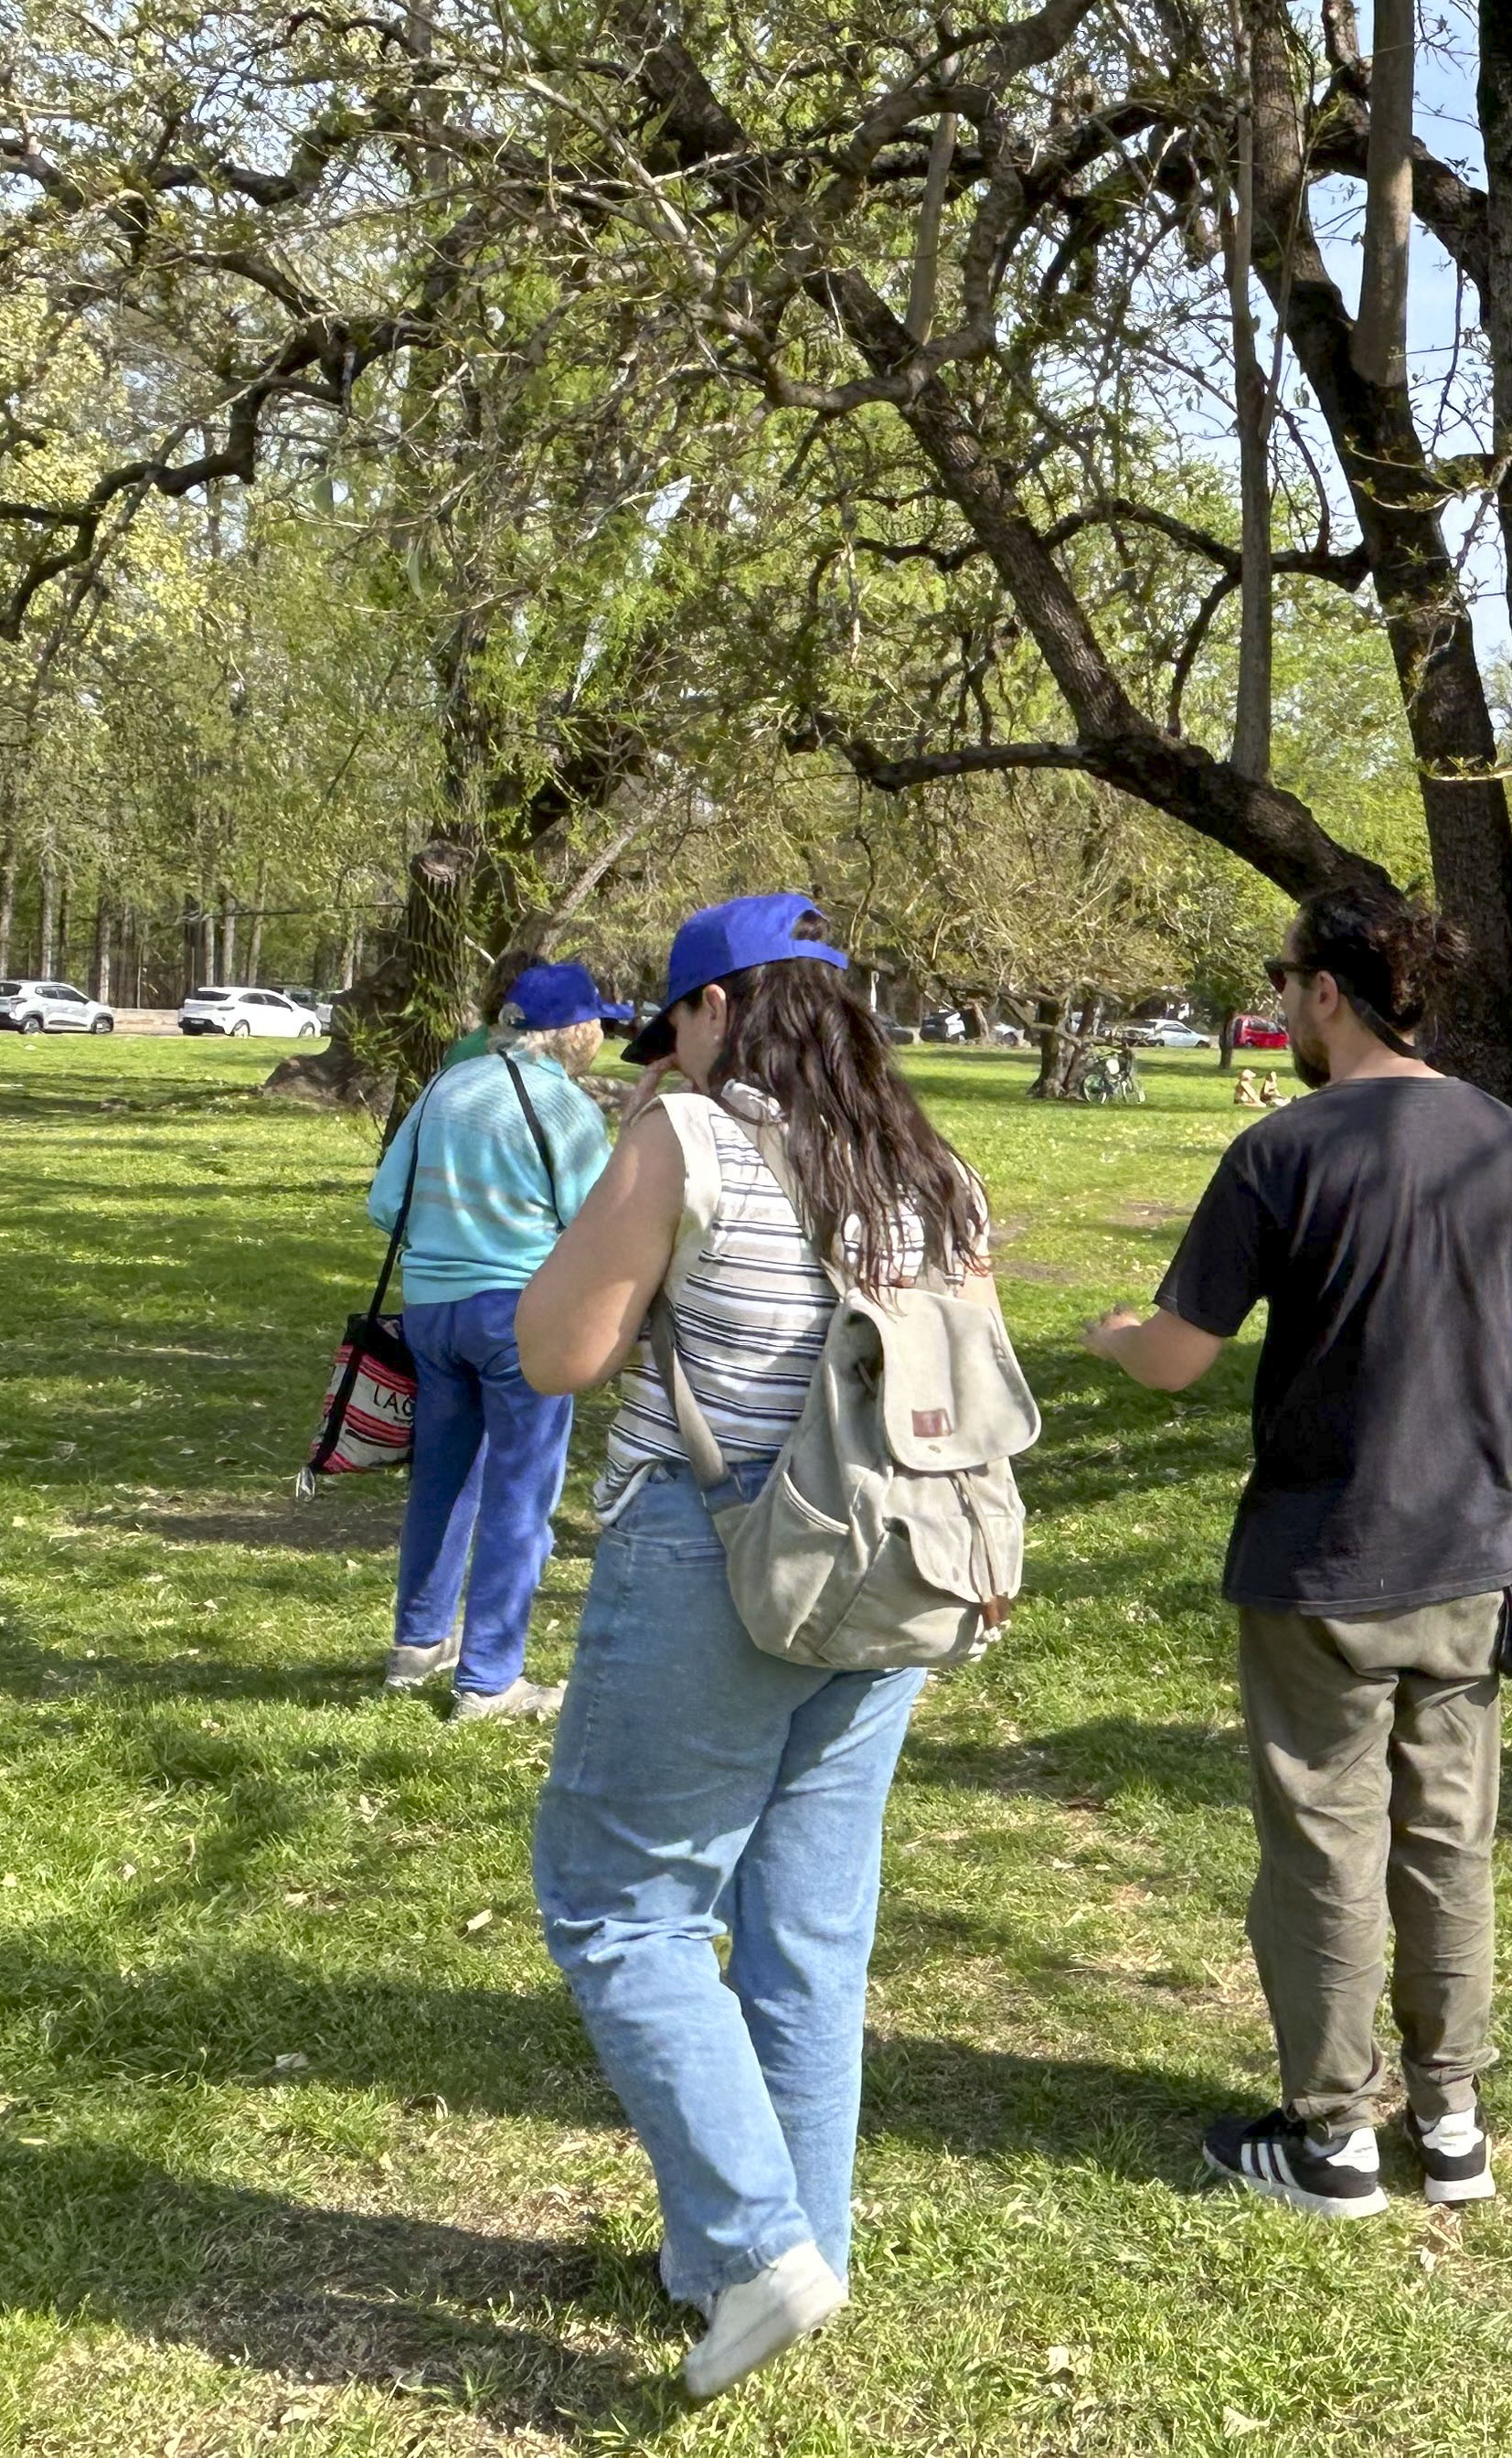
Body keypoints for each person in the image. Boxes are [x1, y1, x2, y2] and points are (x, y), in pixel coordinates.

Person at [511, 892, 996, 2400]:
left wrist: (628, 1151)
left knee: (619, 1901)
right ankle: (788, 2254)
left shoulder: (687, 1139)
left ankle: (755, 2243)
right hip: (897, 1570)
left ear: (718, 1011)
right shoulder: (934, 1172)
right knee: (808, 1931)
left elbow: (557, 1349)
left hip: (713, 1556)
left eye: (680, 1024)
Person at [1079, 885, 1512, 2221]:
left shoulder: (1281, 1151)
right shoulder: (1506, 1140)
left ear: (1329, 994)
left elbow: (1177, 1358)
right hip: (1471, 1551)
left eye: (1289, 980)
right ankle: (1453, 2124)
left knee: (1324, 1845)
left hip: (1325, 1560)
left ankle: (1333, 2137)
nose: (1285, 1002)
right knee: (1448, 1843)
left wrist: (1113, 1332)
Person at [367, 960, 624, 1718]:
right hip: (520, 1315)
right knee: (520, 1494)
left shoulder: (445, 1087)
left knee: (442, 1482)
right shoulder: (566, 1106)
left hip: (431, 1313)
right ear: (575, 1031)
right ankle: (489, 1678)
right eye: (598, 1022)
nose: (603, 1035)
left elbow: (386, 1204)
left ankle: (416, 1646)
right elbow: (596, 1227)